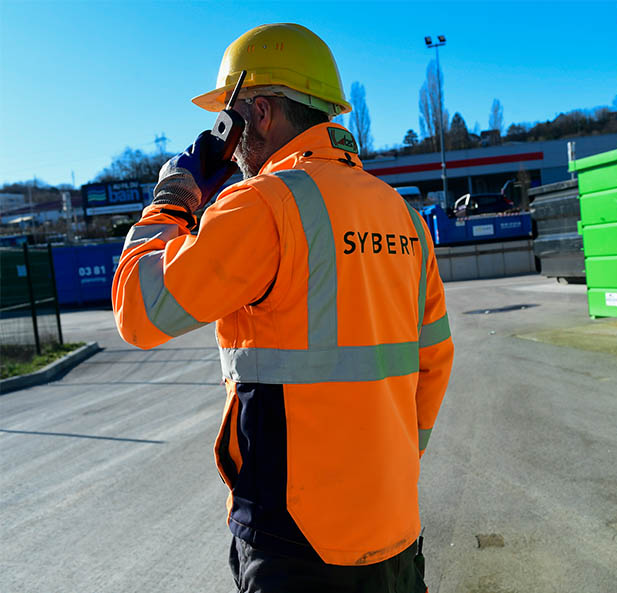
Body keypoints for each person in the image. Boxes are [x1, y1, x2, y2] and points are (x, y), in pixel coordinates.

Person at [112, 23, 454, 593]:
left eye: (230, 118)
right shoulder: (403, 216)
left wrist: (173, 200)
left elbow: (138, 311)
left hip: (298, 543)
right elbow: (434, 361)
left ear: (261, 113)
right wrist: (385, 476)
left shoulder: (264, 204)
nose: (230, 140)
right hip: (394, 531)